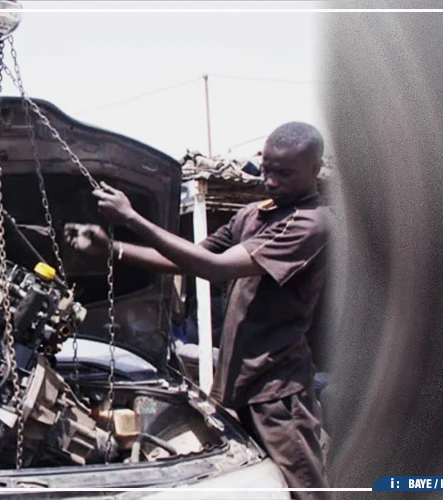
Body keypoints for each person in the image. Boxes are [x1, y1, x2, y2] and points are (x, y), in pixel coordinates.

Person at [66, 122, 331, 499]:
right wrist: (112, 248)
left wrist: (132, 219)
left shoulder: (311, 224)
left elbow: (214, 268)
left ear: (314, 168)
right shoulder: (253, 215)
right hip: (237, 383)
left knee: (304, 490)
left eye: (284, 173)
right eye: (267, 169)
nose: (270, 181)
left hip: (277, 392)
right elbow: (189, 258)